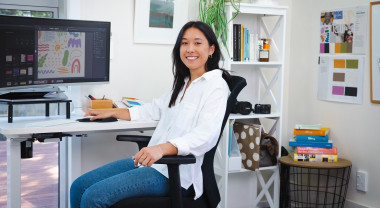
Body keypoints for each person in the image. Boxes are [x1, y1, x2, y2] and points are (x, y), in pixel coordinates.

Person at [70, 21, 230, 208]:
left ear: (211, 49)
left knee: (93, 197)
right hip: (153, 164)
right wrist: (111, 111)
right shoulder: (184, 83)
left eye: (197, 43)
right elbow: (151, 109)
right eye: (184, 43)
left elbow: (205, 136)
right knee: (78, 187)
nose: (190, 49)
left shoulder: (216, 86)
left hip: (176, 174)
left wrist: (161, 148)